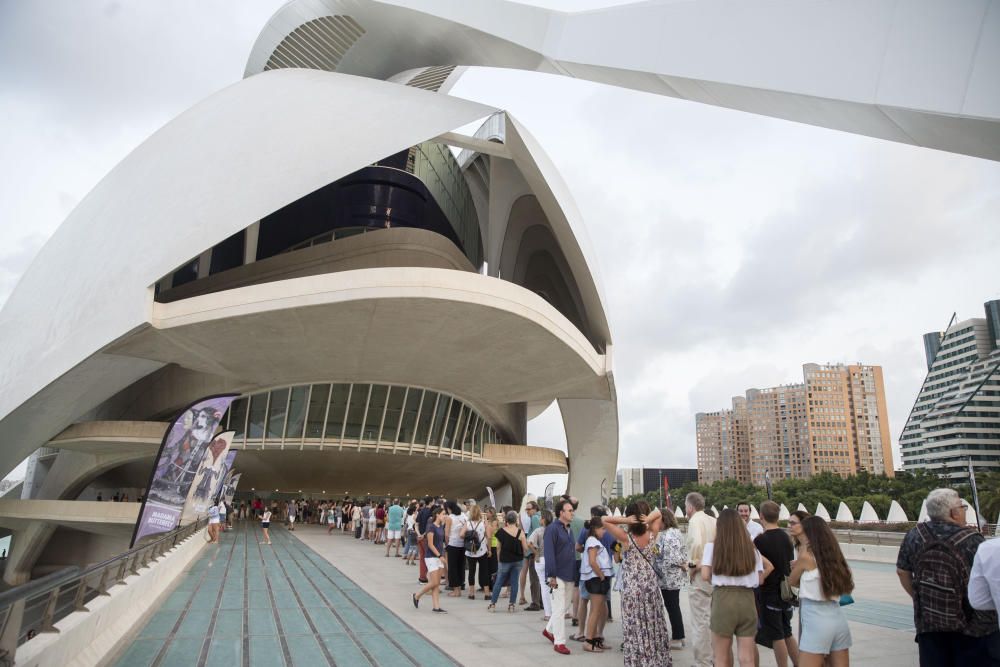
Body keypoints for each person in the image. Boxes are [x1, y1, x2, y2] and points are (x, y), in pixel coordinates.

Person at [897, 488, 999, 665]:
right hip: (974, 627)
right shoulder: (972, 540)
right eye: (963, 507)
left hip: (929, 625)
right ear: (954, 513)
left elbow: (902, 571)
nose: (964, 511)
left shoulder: (915, 535)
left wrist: (922, 599)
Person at [603, 501, 671, 667]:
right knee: (653, 624)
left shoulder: (626, 538)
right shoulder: (652, 534)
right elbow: (659, 513)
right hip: (650, 589)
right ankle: (656, 661)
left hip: (632, 590)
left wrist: (626, 521)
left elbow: (604, 519)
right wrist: (646, 519)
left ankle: (638, 661)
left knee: (635, 627)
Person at [701, 508, 771, 667]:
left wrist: (719, 577)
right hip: (747, 600)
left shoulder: (712, 547)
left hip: (723, 599)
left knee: (721, 657)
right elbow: (760, 579)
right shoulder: (752, 550)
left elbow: (705, 575)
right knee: (747, 657)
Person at [791, 516, 854, 667]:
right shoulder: (834, 557)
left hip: (815, 617)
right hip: (837, 617)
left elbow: (791, 581)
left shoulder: (806, 557)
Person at [753, 500, 799, 667]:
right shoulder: (787, 538)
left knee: (777, 635)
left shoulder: (760, 541)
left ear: (761, 516)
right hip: (786, 590)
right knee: (787, 632)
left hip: (769, 592)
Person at [686, 491, 717, 667]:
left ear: (690, 507)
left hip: (699, 575)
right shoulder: (713, 520)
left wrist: (693, 564)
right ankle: (713, 658)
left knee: (699, 622)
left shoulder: (694, 521)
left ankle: (702, 662)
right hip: (714, 574)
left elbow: (697, 543)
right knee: (712, 620)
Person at [543, 499, 577, 656]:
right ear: (561, 513)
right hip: (557, 575)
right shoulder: (552, 529)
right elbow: (549, 553)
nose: (572, 512)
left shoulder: (568, 529)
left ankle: (549, 630)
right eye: (569, 510)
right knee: (558, 609)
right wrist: (551, 576)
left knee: (563, 608)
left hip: (569, 573)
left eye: (572, 510)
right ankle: (559, 642)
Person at [654, 508, 688, 650]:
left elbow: (671, 558)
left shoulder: (668, 535)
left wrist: (657, 568)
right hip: (673, 577)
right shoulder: (675, 532)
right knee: (673, 606)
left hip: (668, 578)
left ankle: (678, 637)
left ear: (664, 520)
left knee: (672, 607)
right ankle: (679, 635)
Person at [580, 517, 614, 653]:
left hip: (598, 578)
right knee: (595, 610)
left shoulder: (594, 541)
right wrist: (601, 576)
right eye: (602, 528)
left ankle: (596, 638)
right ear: (595, 529)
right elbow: (593, 561)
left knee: (602, 609)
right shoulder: (592, 541)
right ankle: (589, 640)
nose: (604, 531)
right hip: (596, 579)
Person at [490, 510, 529, 613]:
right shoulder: (521, 533)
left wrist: (498, 560)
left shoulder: (501, 532)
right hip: (518, 561)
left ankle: (493, 604)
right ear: (516, 520)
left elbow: (498, 548)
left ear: (506, 520)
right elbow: (525, 548)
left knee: (499, 581)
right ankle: (511, 605)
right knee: (514, 582)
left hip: (504, 560)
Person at [412, 506, 448, 613]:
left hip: (439, 556)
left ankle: (436, 607)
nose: (444, 516)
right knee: (435, 582)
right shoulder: (431, 527)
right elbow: (430, 544)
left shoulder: (441, 526)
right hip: (432, 557)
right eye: (443, 514)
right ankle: (417, 595)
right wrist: (440, 556)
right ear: (437, 515)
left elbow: (441, 543)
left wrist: (442, 555)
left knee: (436, 584)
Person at [529, 509, 553, 619]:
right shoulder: (554, 530)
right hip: (551, 560)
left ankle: (548, 613)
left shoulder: (538, 531)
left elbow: (530, 543)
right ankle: (554, 611)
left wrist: (536, 552)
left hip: (540, 560)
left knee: (544, 587)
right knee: (553, 587)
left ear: (543, 519)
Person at [518, 499, 541, 609]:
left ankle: (535, 603)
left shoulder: (535, 518)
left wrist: (535, 551)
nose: (527, 511)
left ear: (535, 509)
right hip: (534, 551)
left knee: (534, 578)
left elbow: (537, 534)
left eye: (529, 509)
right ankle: (539, 602)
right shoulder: (537, 517)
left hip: (533, 552)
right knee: (536, 577)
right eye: (526, 509)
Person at [464, 504, 490, 599]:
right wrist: (489, 549)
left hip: (471, 551)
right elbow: (489, 536)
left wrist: (469, 535)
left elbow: (461, 534)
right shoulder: (484, 523)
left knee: (471, 571)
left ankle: (471, 593)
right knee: (484, 571)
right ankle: (487, 594)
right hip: (482, 550)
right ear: (479, 512)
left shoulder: (467, 523)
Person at [445, 501, 468, 596]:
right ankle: (460, 586)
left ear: (449, 508)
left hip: (453, 544)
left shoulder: (450, 518)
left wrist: (447, 544)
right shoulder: (464, 515)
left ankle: (456, 590)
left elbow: (446, 534)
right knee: (461, 566)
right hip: (463, 544)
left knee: (452, 567)